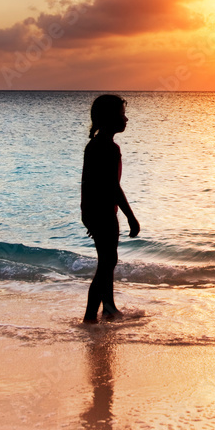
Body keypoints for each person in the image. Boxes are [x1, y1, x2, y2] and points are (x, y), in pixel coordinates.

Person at [81, 94, 140, 322]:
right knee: (107, 263)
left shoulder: (94, 145)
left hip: (95, 210)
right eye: (122, 115)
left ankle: (108, 307)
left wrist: (87, 214)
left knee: (107, 260)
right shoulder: (108, 147)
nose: (126, 119)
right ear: (110, 118)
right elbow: (113, 187)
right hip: (104, 211)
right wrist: (131, 218)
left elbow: (86, 183)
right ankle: (90, 315)